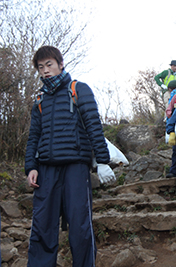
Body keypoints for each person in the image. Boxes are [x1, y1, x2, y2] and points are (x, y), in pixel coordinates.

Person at [25, 46, 111, 266]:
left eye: (49, 65)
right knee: (42, 225)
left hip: (76, 167)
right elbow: (34, 136)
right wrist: (31, 167)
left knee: (80, 226)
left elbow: (93, 125)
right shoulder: (39, 100)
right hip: (46, 170)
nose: (45, 71)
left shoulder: (78, 89)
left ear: (60, 64)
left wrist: (102, 161)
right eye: (41, 67)